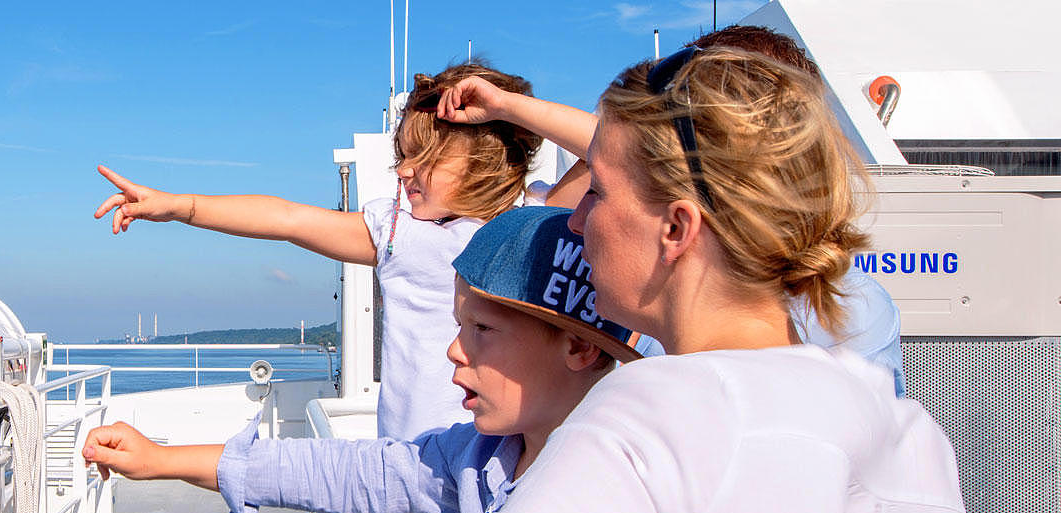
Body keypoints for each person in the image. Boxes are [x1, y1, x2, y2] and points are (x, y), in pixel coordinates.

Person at [499, 45, 962, 512]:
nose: (576, 222)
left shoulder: (640, 424)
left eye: (596, 190)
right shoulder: (904, 429)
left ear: (676, 229)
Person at [429, 25, 907, 394]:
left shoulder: (849, 312)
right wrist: (508, 107)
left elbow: (632, 158)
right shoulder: (859, 321)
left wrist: (510, 108)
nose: (578, 220)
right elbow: (630, 155)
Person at [82, 206, 643, 513]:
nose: (454, 349)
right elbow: (350, 474)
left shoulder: (634, 482)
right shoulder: (473, 460)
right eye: (458, 327)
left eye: (483, 330)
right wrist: (161, 460)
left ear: (578, 346)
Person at [93, 61, 544, 440]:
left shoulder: (537, 223)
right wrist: (179, 206)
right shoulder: (397, 234)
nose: (404, 170)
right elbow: (286, 219)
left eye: (422, 158)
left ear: (487, 157)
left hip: (492, 465)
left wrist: (507, 106)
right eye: (402, 155)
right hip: (407, 463)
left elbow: (607, 145)